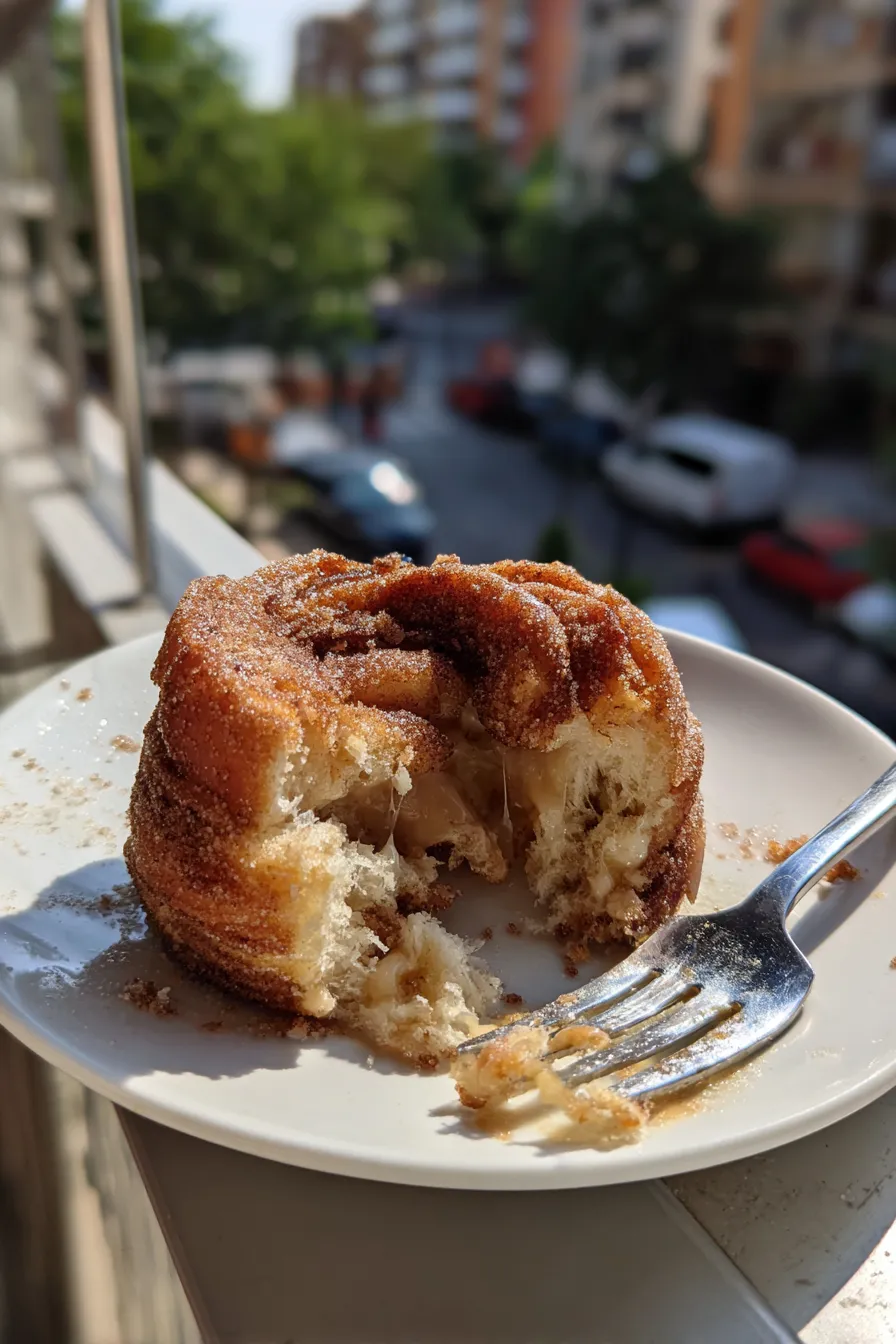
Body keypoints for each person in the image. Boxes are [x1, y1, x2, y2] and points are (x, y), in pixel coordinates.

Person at [359, 365, 386, 443]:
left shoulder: (375, 383)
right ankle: (370, 434)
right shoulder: (372, 384)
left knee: (372, 420)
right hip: (369, 406)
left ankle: (372, 434)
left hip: (371, 406)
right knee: (370, 420)